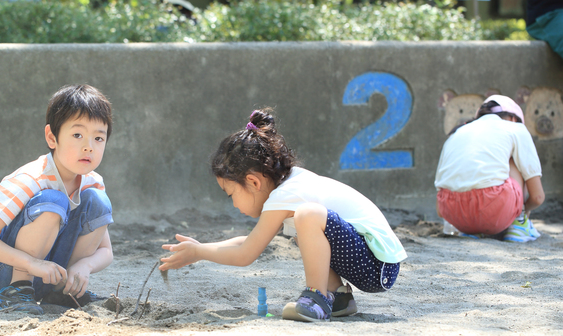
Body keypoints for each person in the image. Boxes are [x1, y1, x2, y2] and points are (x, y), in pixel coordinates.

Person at [159, 109, 407, 323]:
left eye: (230, 194)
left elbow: (246, 254)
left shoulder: (287, 196)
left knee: (308, 216)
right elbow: (250, 242)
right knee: (306, 229)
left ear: (253, 181)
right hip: (372, 260)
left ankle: (317, 298)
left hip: (377, 265)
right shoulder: (287, 188)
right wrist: (201, 249)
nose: (233, 204)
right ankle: (338, 297)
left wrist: (200, 253)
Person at [0, 84, 115, 314]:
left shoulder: (92, 182)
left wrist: (84, 266)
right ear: (52, 137)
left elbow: (106, 251)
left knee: (98, 200)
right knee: (54, 201)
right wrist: (30, 264)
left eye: (98, 138)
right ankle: (17, 291)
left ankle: (63, 290)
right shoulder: (31, 179)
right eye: (77, 135)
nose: (88, 147)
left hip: (48, 270)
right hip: (1, 267)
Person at [434, 95, 545, 242]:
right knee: (513, 158)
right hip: (495, 209)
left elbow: (439, 208)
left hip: (454, 215)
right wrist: (521, 209)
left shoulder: (457, 133)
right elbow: (537, 197)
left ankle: (473, 230)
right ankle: (519, 224)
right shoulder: (515, 128)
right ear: (513, 119)